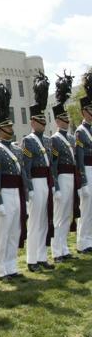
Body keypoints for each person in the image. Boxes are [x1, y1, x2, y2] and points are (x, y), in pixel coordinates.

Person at [21, 72, 57, 272]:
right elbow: (25, 167)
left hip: (46, 181)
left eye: (44, 121)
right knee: (34, 221)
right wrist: (29, 188)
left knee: (45, 219)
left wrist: (52, 184)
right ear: (33, 122)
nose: (43, 124)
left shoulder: (48, 140)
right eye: (39, 121)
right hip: (35, 181)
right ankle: (32, 259)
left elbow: (50, 165)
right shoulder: (28, 140)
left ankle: (42, 256)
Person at [0, 84, 24, 281]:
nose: (11, 129)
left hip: (16, 192)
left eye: (11, 126)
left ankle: (12, 266)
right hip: (5, 193)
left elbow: (22, 175)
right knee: (3, 233)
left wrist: (26, 194)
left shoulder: (17, 149)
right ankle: (1, 269)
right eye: (7, 127)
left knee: (14, 231)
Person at [50, 72, 79, 262]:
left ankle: (64, 248)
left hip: (71, 176)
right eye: (64, 120)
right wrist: (56, 186)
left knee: (68, 214)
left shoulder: (70, 138)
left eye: (68, 120)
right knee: (59, 215)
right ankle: (56, 250)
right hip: (61, 176)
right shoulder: (54, 139)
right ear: (57, 121)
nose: (67, 122)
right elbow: (52, 165)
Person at [76, 70, 92, 254]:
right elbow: (79, 157)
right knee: (85, 207)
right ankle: (83, 242)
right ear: (83, 111)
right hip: (86, 169)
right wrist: (84, 180)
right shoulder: (80, 131)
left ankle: (90, 238)